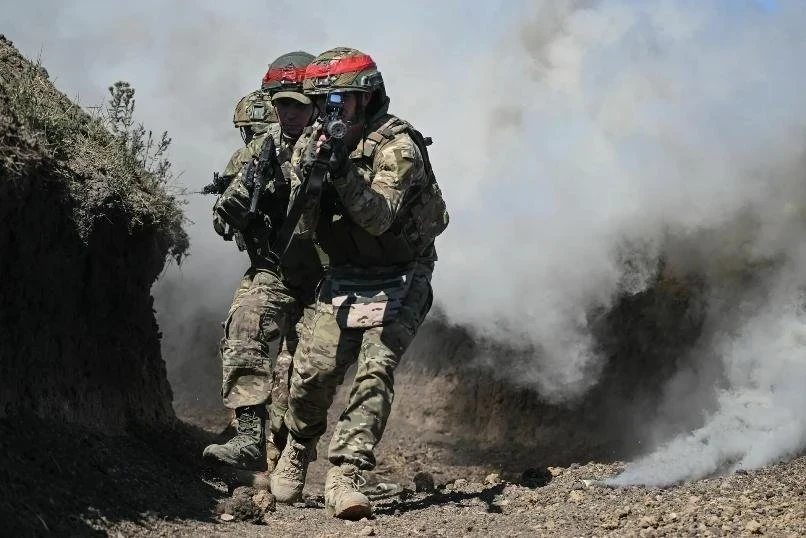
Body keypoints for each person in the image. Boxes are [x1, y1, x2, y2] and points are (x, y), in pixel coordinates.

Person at [269, 47, 449, 519]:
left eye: (339, 101)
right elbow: (304, 225)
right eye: (321, 102)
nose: (330, 112)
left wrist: (343, 172)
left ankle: (345, 472)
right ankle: (298, 447)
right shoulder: (313, 144)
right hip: (345, 271)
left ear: (365, 99)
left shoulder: (398, 146)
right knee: (313, 372)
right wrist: (311, 170)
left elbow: (379, 217)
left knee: (376, 367)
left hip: (402, 271)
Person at [203, 51, 323, 473]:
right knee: (244, 321)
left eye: (298, 105)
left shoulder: (337, 145)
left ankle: (292, 450)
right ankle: (249, 436)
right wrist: (243, 195)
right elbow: (222, 223)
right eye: (281, 104)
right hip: (277, 270)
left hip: (328, 278)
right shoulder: (259, 150)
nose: (288, 114)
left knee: (303, 372)